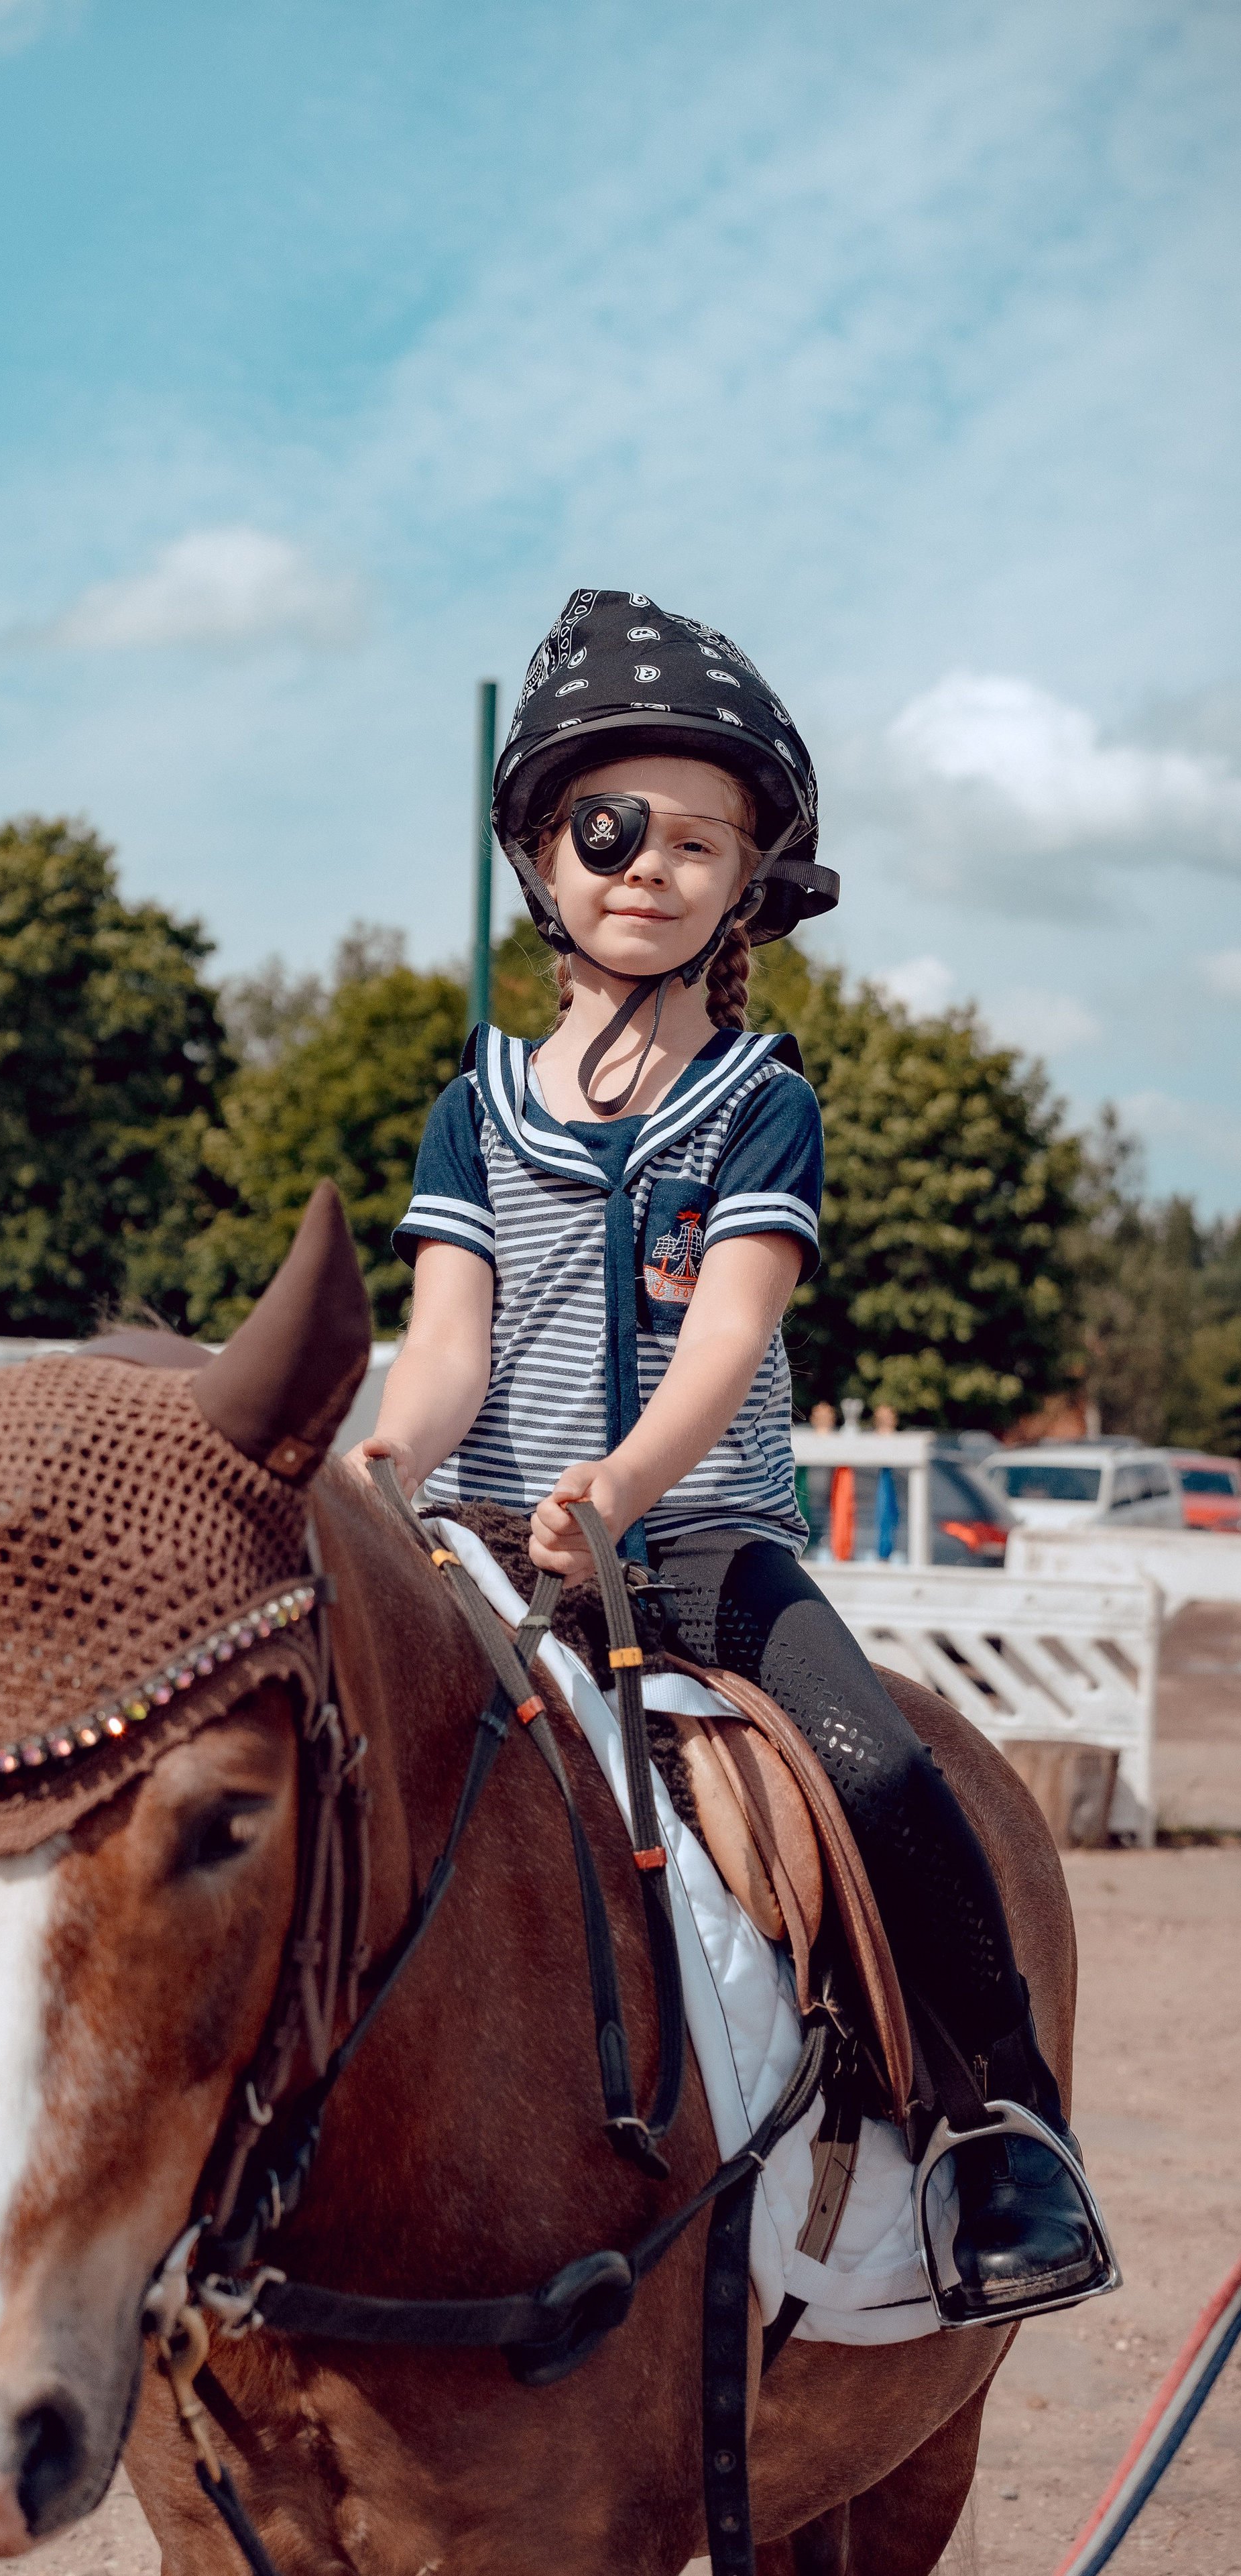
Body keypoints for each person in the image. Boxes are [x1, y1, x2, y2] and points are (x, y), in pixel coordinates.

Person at [349, 588, 1109, 2324]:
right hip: (490, 1548)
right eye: (612, 828)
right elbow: (450, 1343)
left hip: (697, 1546)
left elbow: (729, 1338)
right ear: (544, 856)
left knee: (878, 1765)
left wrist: (619, 1491)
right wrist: (384, 1462)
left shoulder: (764, 1101)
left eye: (702, 841)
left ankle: (996, 2126)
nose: (653, 866)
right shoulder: (475, 1107)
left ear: (749, 885)